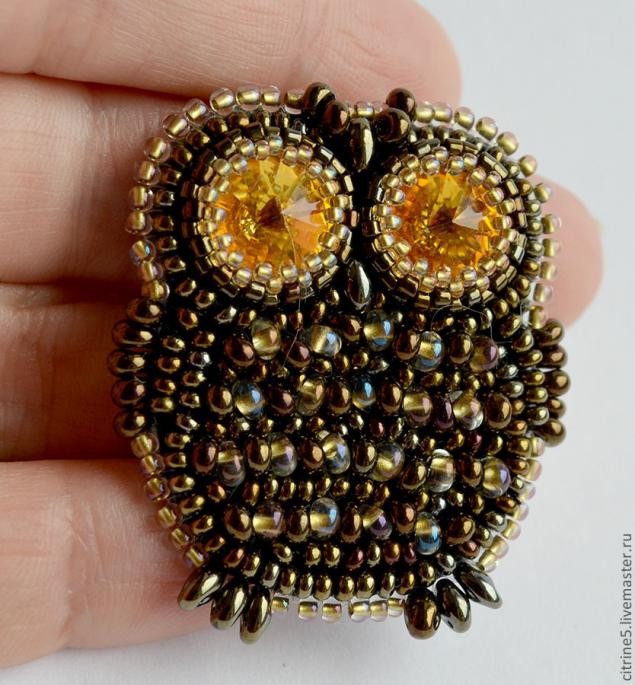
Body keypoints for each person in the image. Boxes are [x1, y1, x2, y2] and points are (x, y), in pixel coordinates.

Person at [0, 0, 602, 667]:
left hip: (429, 543)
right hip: (254, 529)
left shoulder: (490, 341)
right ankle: (254, 567)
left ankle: (432, 572)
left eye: (434, 227)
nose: (358, 283)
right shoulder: (199, 329)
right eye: (278, 222)